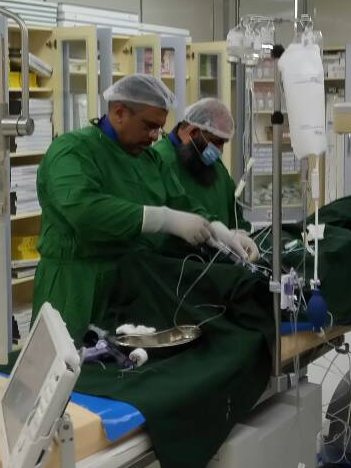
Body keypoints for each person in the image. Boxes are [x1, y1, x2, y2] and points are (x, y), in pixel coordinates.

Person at [33, 74, 257, 341]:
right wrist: (161, 219)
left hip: (132, 284)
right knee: (74, 360)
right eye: (149, 126)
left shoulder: (149, 159)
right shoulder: (72, 150)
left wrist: (219, 230)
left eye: (159, 129)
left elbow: (181, 202)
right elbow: (84, 210)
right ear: (119, 113)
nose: (154, 137)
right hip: (76, 287)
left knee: (128, 359)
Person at [151, 98, 253, 243]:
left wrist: (244, 237)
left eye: (223, 143)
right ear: (193, 132)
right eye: (216, 142)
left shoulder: (212, 163)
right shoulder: (160, 160)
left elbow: (234, 214)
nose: (220, 151)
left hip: (223, 252)